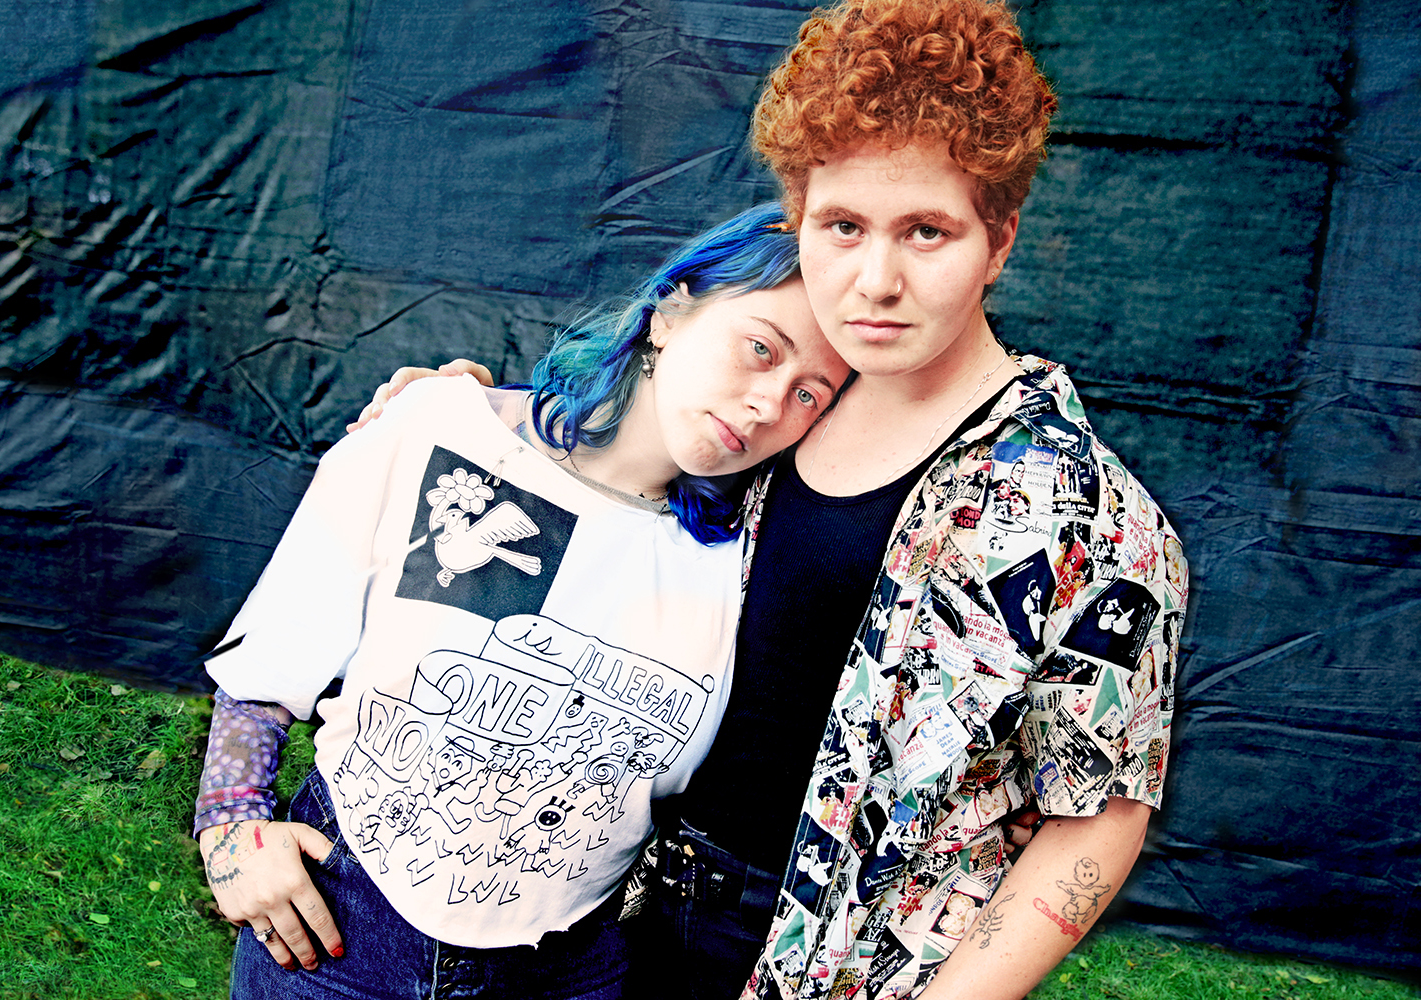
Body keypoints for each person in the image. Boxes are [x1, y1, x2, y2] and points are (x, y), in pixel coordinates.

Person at [354, 1, 1188, 997]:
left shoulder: (1085, 512)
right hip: (612, 922)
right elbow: (605, 454)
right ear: (800, 221)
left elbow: (1100, 811)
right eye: (843, 227)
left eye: (927, 231)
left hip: (848, 964)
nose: (874, 280)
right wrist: (462, 407)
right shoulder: (770, 416)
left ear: (998, 239)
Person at [192, 202, 851, 1000]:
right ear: (671, 313)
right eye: (758, 348)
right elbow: (275, 652)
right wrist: (230, 824)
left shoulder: (739, 556)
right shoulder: (449, 437)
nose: (767, 404)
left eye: (811, 393)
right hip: (341, 941)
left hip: (567, 971)